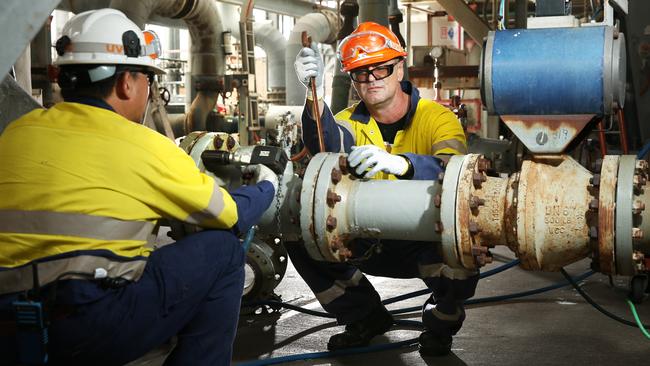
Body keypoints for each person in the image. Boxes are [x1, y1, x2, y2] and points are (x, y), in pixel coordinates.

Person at [0, 9, 277, 366]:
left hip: (9, 329)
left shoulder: (16, 132)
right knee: (222, 249)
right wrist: (267, 185)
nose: (150, 89)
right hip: (84, 326)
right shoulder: (144, 146)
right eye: (148, 77)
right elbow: (228, 215)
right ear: (126, 82)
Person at [290, 22, 479, 356]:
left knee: (464, 246)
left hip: (424, 239)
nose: (372, 79)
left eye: (381, 69)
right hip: (367, 239)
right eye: (362, 73)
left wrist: (403, 164)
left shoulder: (437, 118)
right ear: (352, 80)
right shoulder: (348, 121)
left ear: (400, 68)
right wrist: (312, 96)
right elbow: (326, 146)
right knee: (300, 231)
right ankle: (365, 316)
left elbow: (456, 176)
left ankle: (441, 321)